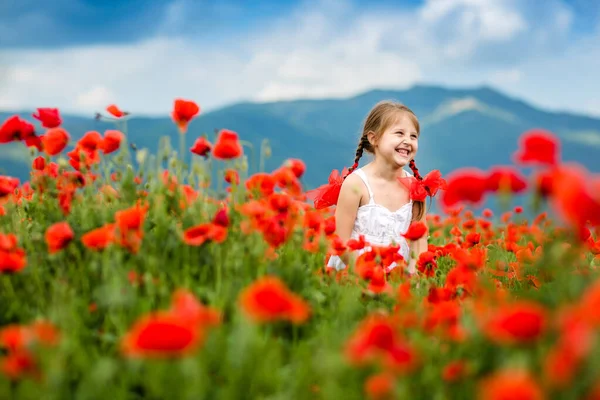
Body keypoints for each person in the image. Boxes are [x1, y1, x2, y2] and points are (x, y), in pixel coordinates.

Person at [308, 100, 445, 275]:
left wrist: (414, 283)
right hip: (355, 277)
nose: (407, 141)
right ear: (374, 139)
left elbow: (419, 247)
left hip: (399, 281)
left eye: (413, 136)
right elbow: (341, 245)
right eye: (399, 133)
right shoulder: (355, 184)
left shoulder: (416, 189)